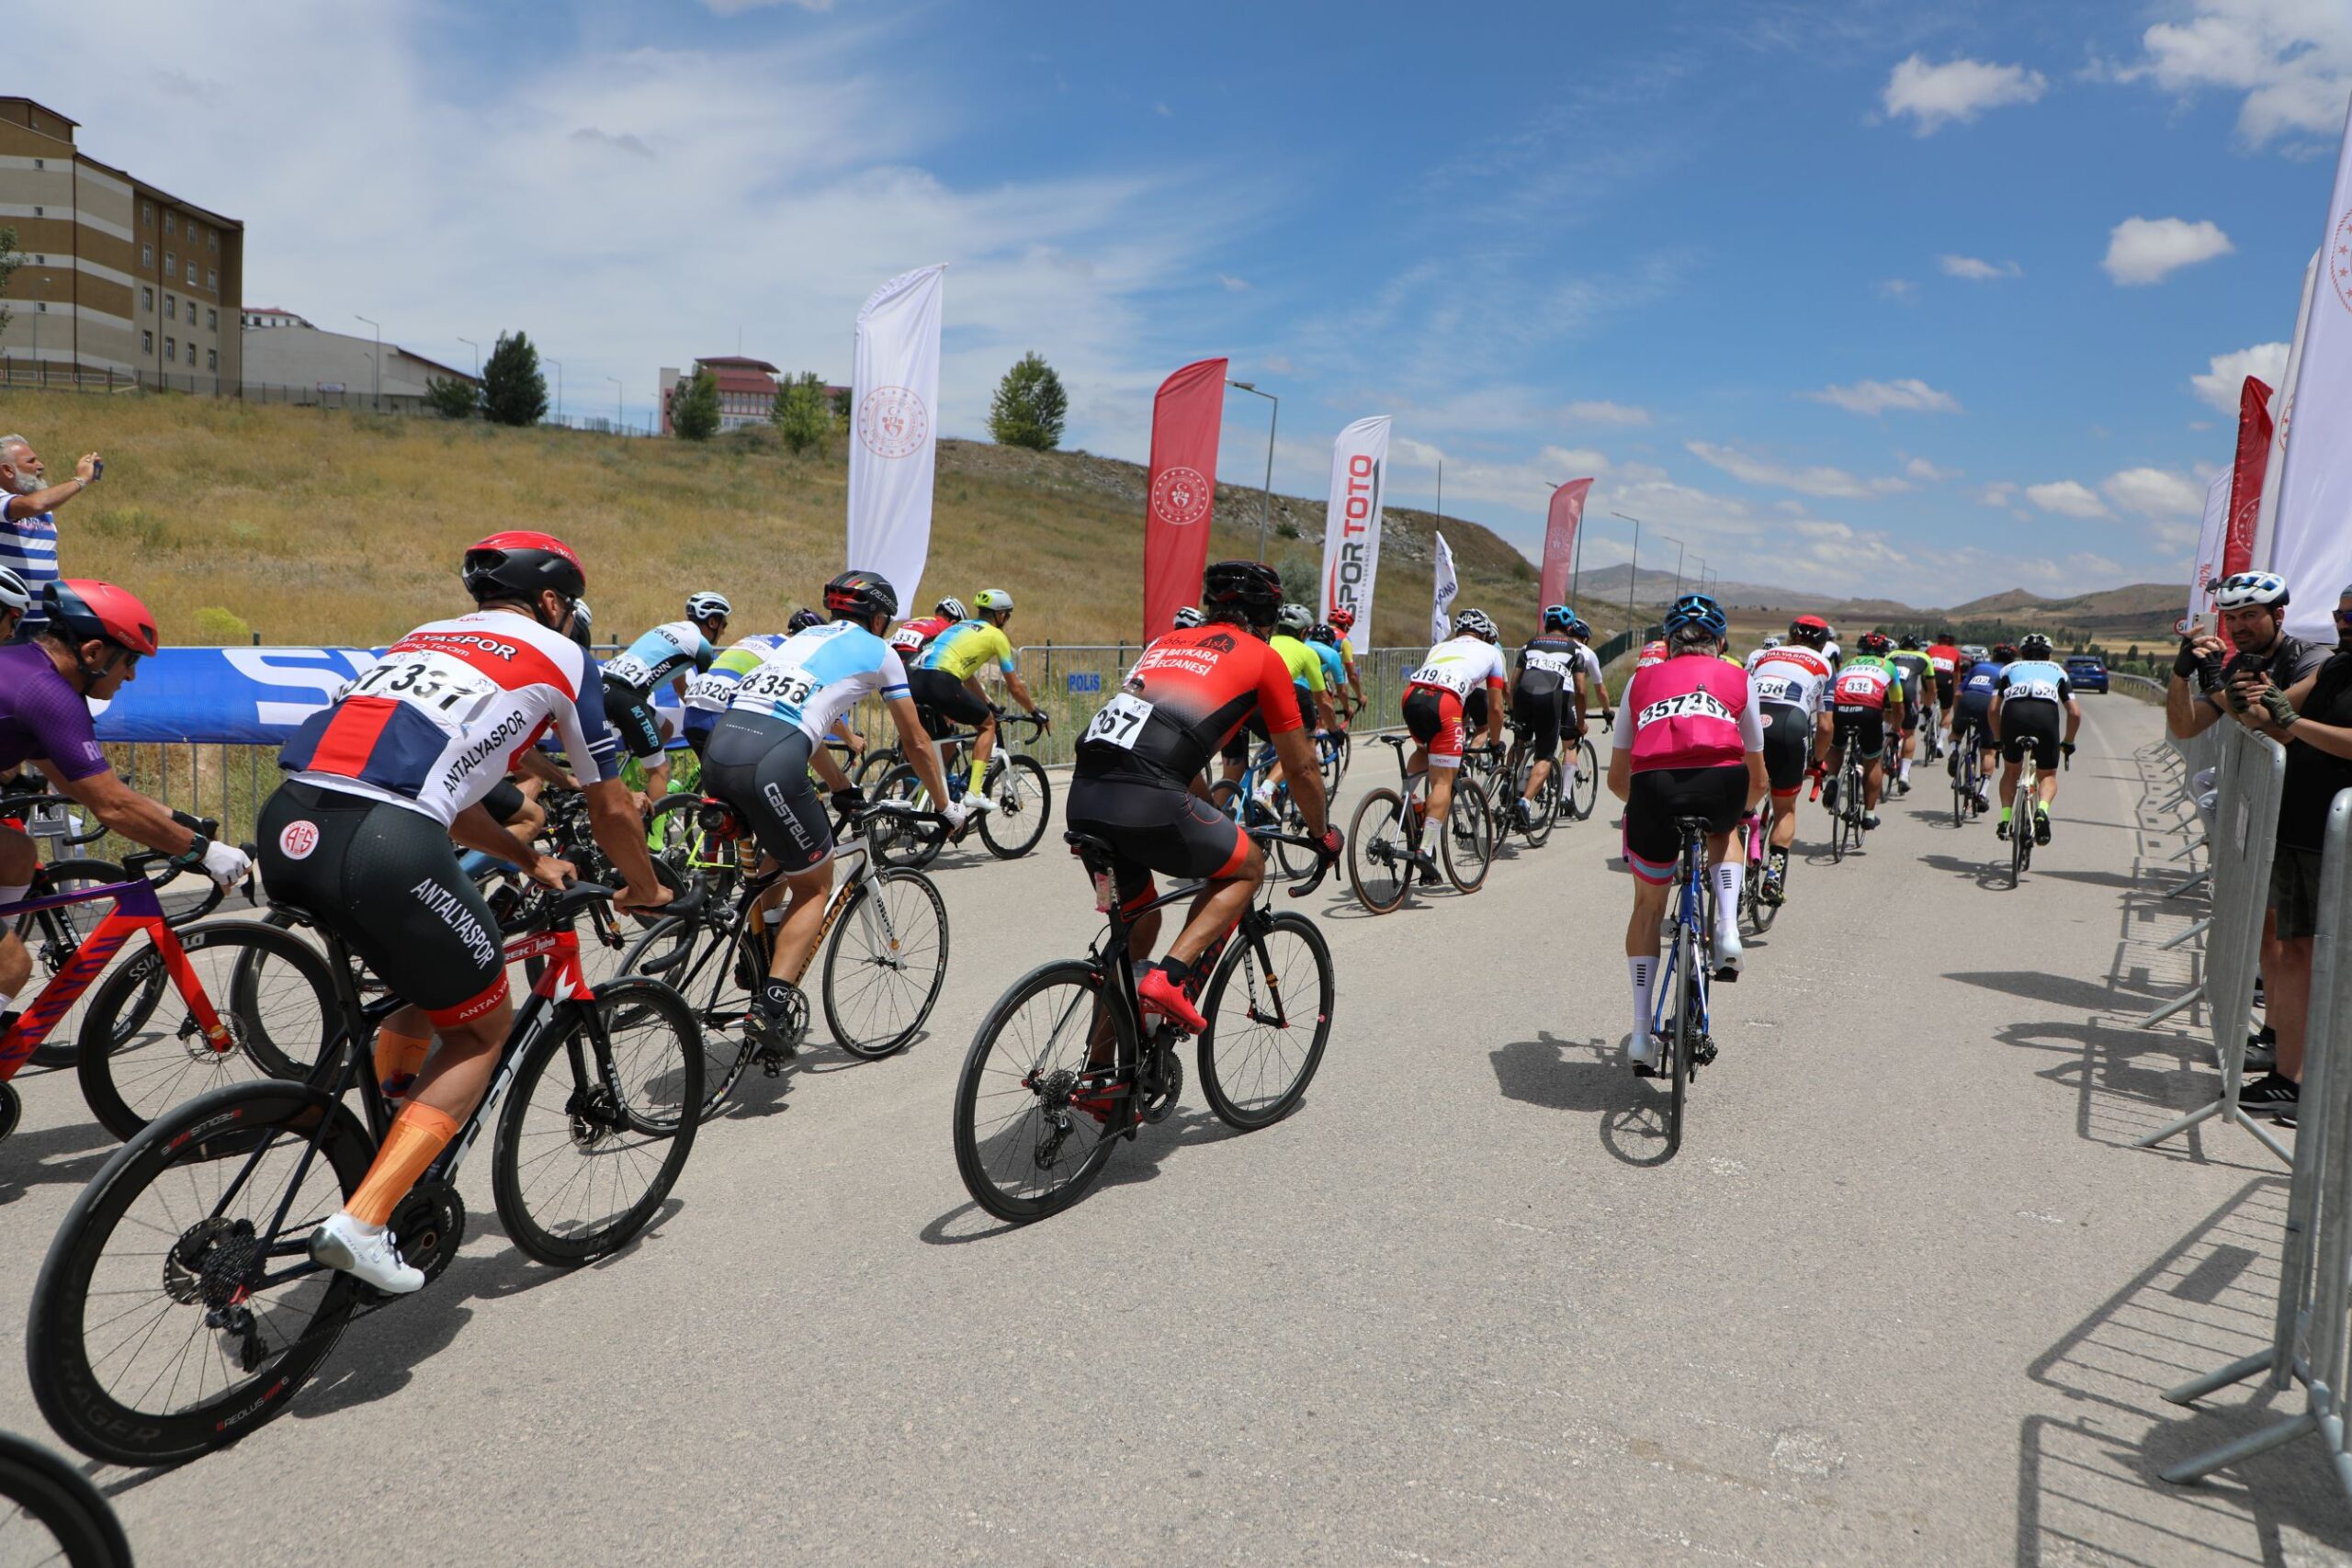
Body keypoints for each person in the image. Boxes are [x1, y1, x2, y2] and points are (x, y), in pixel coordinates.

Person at [260, 532, 673, 1294]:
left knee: (430, 984)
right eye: (570, 605)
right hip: (383, 844)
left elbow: (446, 793)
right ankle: (364, 1221)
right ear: (550, 601)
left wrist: (528, 860)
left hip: (288, 820)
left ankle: (394, 1128)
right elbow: (612, 806)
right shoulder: (564, 655)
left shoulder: (424, 635)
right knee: (482, 1029)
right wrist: (645, 886)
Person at [1065, 558, 1338, 1032]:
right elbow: (1301, 767)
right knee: (1249, 865)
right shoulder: (1262, 657)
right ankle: (1171, 979)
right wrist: (1322, 834)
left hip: (1085, 798)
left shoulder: (1163, 644)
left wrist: (1208, 811)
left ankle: (1104, 1067)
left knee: (1137, 930)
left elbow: (1159, 743)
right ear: (1268, 617)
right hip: (1149, 801)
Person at [701, 570, 964, 1062]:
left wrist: (842, 788)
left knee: (785, 855)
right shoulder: (880, 652)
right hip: (771, 762)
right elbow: (916, 741)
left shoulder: (800, 640)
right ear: (879, 618)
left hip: (719, 752)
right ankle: (771, 1007)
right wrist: (947, 808)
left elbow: (809, 725)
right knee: (815, 886)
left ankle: (759, 948)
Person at [0, 580, 251, 1035]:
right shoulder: (50, 694)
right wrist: (202, 852)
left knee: (16, 853)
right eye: (130, 661)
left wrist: (181, 824)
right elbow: (112, 807)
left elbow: (84, 787)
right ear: (94, 652)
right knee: (10, 967)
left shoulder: (23, 665)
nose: (131, 676)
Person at [1609, 593, 1766, 1072]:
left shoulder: (1639, 681)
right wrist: (1740, 811)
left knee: (1647, 907)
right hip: (1722, 783)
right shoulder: (1740, 678)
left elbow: (1617, 779)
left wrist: (1651, 808)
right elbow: (1758, 778)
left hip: (1652, 787)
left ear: (1667, 642)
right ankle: (1727, 931)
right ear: (1720, 643)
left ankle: (1641, 1034)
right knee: (1726, 831)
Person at [2235, 584, 2352, 1119]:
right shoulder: (2333, 667)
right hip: (2301, 832)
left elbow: (2299, 727)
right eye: (2340, 615)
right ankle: (2290, 1078)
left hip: (2339, 839)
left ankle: (2330, 1090)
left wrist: (2291, 721)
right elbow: (2270, 724)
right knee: (2296, 952)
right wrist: (2247, 697)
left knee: (2334, 964)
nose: (2343, 623)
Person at [910, 589, 1048, 816]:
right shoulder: (996, 636)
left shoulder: (959, 627)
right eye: (1007, 615)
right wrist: (1035, 711)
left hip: (915, 681)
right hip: (941, 681)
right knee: (987, 724)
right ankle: (974, 792)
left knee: (940, 750)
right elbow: (1015, 686)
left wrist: (987, 703)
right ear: (1000, 615)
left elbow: (967, 676)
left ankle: (918, 808)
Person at [1399, 608, 1508, 884]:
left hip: (1412, 696)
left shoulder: (1440, 646)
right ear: (1486, 634)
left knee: (1423, 749)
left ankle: (1407, 799)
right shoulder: (1493, 652)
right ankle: (1426, 849)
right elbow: (1496, 708)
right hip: (1446, 702)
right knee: (1443, 782)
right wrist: (1495, 743)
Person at [2168, 572, 2329, 742]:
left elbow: (2279, 732)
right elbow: (2185, 728)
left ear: (2278, 616)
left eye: (2249, 615)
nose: (2238, 627)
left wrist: (2215, 687)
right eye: (2230, 618)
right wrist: (2180, 673)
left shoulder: (2310, 660)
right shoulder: (2239, 664)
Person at [605, 593, 731, 803]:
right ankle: (657, 823)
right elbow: (709, 692)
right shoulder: (701, 645)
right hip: (627, 696)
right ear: (712, 621)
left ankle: (637, 786)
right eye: (724, 623)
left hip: (605, 687)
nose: (724, 630)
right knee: (660, 770)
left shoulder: (673, 630)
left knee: (665, 729)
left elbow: (680, 688)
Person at [1747, 621, 1834, 904]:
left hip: (1750, 723)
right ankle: (1773, 877)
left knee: (1740, 801)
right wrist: (1818, 760)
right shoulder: (1824, 664)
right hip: (1789, 726)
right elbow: (1825, 726)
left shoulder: (1764, 656)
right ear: (1822, 644)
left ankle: (1725, 865)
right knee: (1785, 808)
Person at [0, 436, 102, 638]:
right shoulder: (18, 503)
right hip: (7, 622)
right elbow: (35, 505)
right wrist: (81, 479)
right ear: (8, 470)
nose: (40, 466)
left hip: (44, 619)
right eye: (31, 461)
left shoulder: (42, 507)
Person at [1989, 633, 2079, 846]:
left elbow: (1993, 709)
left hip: (2014, 716)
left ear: (2022, 653)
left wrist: (1998, 739)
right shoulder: (2058, 670)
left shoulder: (2008, 670)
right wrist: (2068, 741)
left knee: (2011, 771)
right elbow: (2074, 713)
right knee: (2047, 775)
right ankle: (2042, 811)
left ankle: (2005, 820)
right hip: (2045, 718)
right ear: (2049, 655)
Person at [1509, 606, 1583, 830]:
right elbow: (1581, 689)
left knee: (1520, 742)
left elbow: (1514, 682)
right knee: (1544, 756)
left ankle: (1507, 783)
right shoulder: (1574, 647)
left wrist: (1512, 709)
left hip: (1523, 695)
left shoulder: (1530, 643)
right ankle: (1524, 802)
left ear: (1546, 625)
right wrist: (1580, 723)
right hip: (1549, 697)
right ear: (1569, 627)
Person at [1825, 630, 1904, 829]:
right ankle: (1869, 814)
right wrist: (1896, 729)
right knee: (1873, 759)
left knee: (1836, 746)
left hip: (1839, 708)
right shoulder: (1889, 666)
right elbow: (1897, 706)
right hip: (1868, 711)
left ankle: (1832, 779)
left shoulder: (1848, 663)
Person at [1949, 643, 2008, 810]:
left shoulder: (1979, 666)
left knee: (1956, 733)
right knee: (1989, 751)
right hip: (1988, 703)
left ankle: (1954, 751)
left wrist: (1957, 717)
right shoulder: (2007, 672)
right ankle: (1982, 793)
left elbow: (1958, 693)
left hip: (1968, 699)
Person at [1887, 637, 1936, 795]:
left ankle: (1884, 745)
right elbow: (1931, 689)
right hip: (1908, 695)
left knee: (1887, 722)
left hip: (1888, 693)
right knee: (1909, 734)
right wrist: (1927, 707)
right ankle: (1904, 774)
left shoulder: (1892, 654)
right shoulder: (1924, 658)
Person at [887, 596, 968, 661]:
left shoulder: (915, 620)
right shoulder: (947, 627)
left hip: (890, 654)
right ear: (953, 623)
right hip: (912, 657)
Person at [1325, 605, 1367, 719]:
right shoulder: (1344, 639)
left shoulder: (1313, 632)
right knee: (1326, 711)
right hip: (1314, 677)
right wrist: (1360, 696)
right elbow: (1352, 675)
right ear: (1346, 627)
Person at [1926, 629, 1965, 731]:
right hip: (1946, 677)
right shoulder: (1956, 652)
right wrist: (1956, 691)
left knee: (1925, 691)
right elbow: (1956, 676)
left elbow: (1924, 667)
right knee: (1946, 713)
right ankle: (1941, 740)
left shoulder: (1931, 648)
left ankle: (1924, 715)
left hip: (1931, 676)